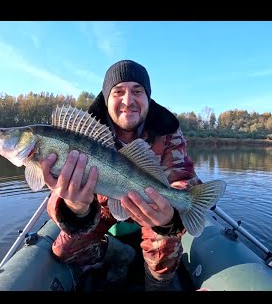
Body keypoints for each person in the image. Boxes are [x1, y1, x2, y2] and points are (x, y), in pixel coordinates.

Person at [40, 59, 202, 291]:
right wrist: (76, 209)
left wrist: (170, 217)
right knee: (64, 250)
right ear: (107, 99)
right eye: (118, 92)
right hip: (100, 208)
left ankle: (156, 286)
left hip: (150, 207)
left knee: (165, 248)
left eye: (137, 91)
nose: (128, 100)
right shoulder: (81, 134)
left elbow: (181, 176)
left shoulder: (166, 131)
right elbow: (55, 195)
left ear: (148, 97)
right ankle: (119, 253)